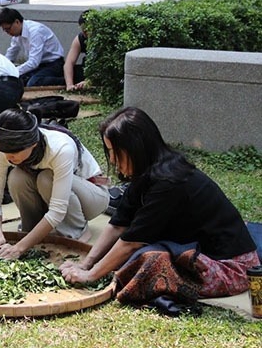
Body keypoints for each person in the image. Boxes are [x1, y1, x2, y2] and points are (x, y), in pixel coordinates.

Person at [60, 107, 260, 307]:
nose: (112, 160)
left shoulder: (168, 181)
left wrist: (90, 276)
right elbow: (117, 226)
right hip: (196, 251)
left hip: (231, 269)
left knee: (144, 261)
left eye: (115, 152)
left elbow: (132, 242)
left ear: (135, 148)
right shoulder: (144, 174)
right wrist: (86, 264)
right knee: (125, 257)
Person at [0, 108, 109, 261]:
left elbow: (57, 210)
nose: (8, 157)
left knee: (46, 178)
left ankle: (76, 230)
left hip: (93, 197)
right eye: (4, 151)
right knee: (16, 176)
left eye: (14, 152)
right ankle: (31, 229)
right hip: (52, 194)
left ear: (33, 144)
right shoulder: (4, 149)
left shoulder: (61, 148)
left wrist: (19, 248)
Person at [0, 8, 66, 87]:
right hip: (40, 65)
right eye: (5, 30)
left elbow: (34, 62)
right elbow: (11, 53)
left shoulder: (35, 32)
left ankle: (66, 80)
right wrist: (2, 68)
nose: (7, 33)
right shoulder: (17, 35)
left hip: (53, 64)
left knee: (33, 83)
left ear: (17, 22)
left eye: (8, 29)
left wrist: (13, 71)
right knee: (17, 80)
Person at [64, 10, 91, 91]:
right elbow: (69, 63)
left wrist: (89, 81)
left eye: (87, 30)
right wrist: (69, 84)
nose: (85, 34)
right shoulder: (80, 38)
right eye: (83, 31)